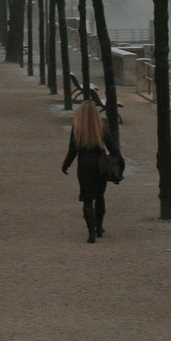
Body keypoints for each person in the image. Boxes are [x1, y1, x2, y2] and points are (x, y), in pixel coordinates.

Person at [61, 99, 121, 243]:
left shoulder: (77, 128)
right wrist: (118, 163)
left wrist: (66, 165)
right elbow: (112, 147)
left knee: (87, 200)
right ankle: (99, 226)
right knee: (100, 196)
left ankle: (91, 232)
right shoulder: (101, 126)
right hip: (100, 165)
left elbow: (72, 150)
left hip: (84, 166)